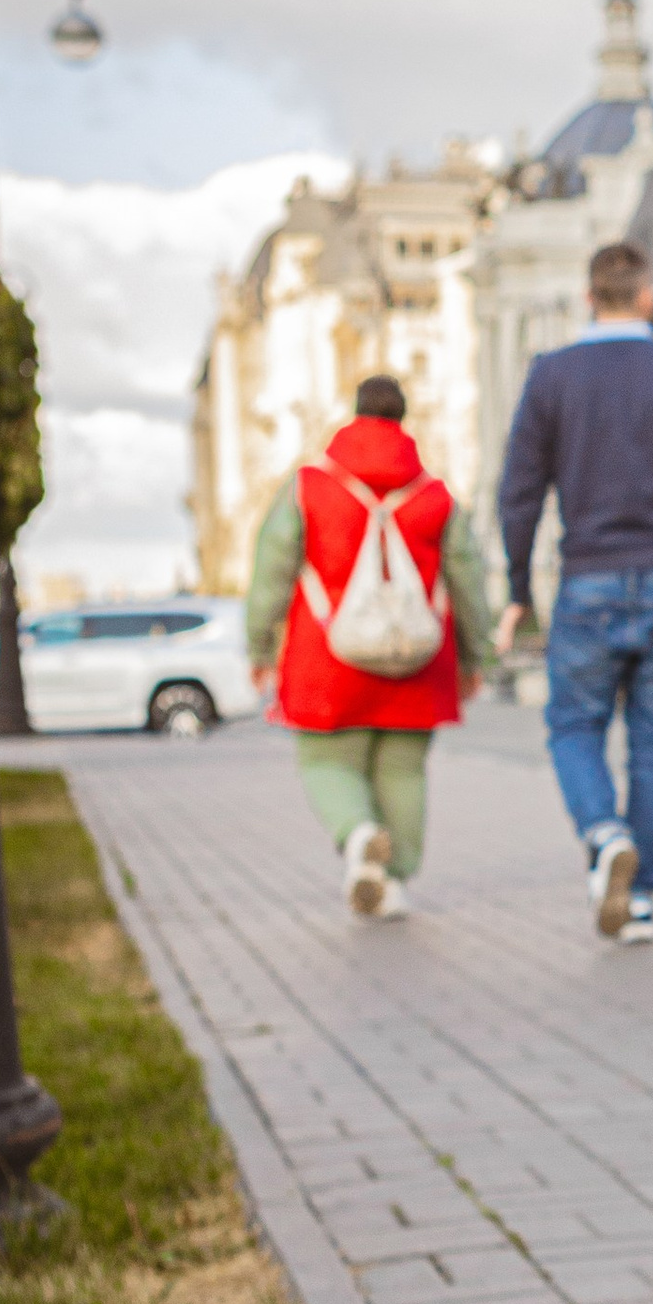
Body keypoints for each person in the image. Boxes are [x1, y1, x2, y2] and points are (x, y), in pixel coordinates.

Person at [497, 241, 653, 945]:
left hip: (589, 578)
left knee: (573, 725)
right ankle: (640, 898)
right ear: (647, 297)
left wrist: (518, 589)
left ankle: (604, 832)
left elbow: (520, 491)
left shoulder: (552, 375)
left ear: (589, 298)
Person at [246, 376, 491, 915]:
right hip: (417, 658)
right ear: (403, 419)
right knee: (403, 774)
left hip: (327, 660)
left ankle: (358, 835)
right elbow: (468, 580)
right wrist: (476, 658)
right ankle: (393, 882)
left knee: (326, 764)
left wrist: (259, 648)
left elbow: (271, 572)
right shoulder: (436, 496)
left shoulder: (308, 487)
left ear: (354, 414)